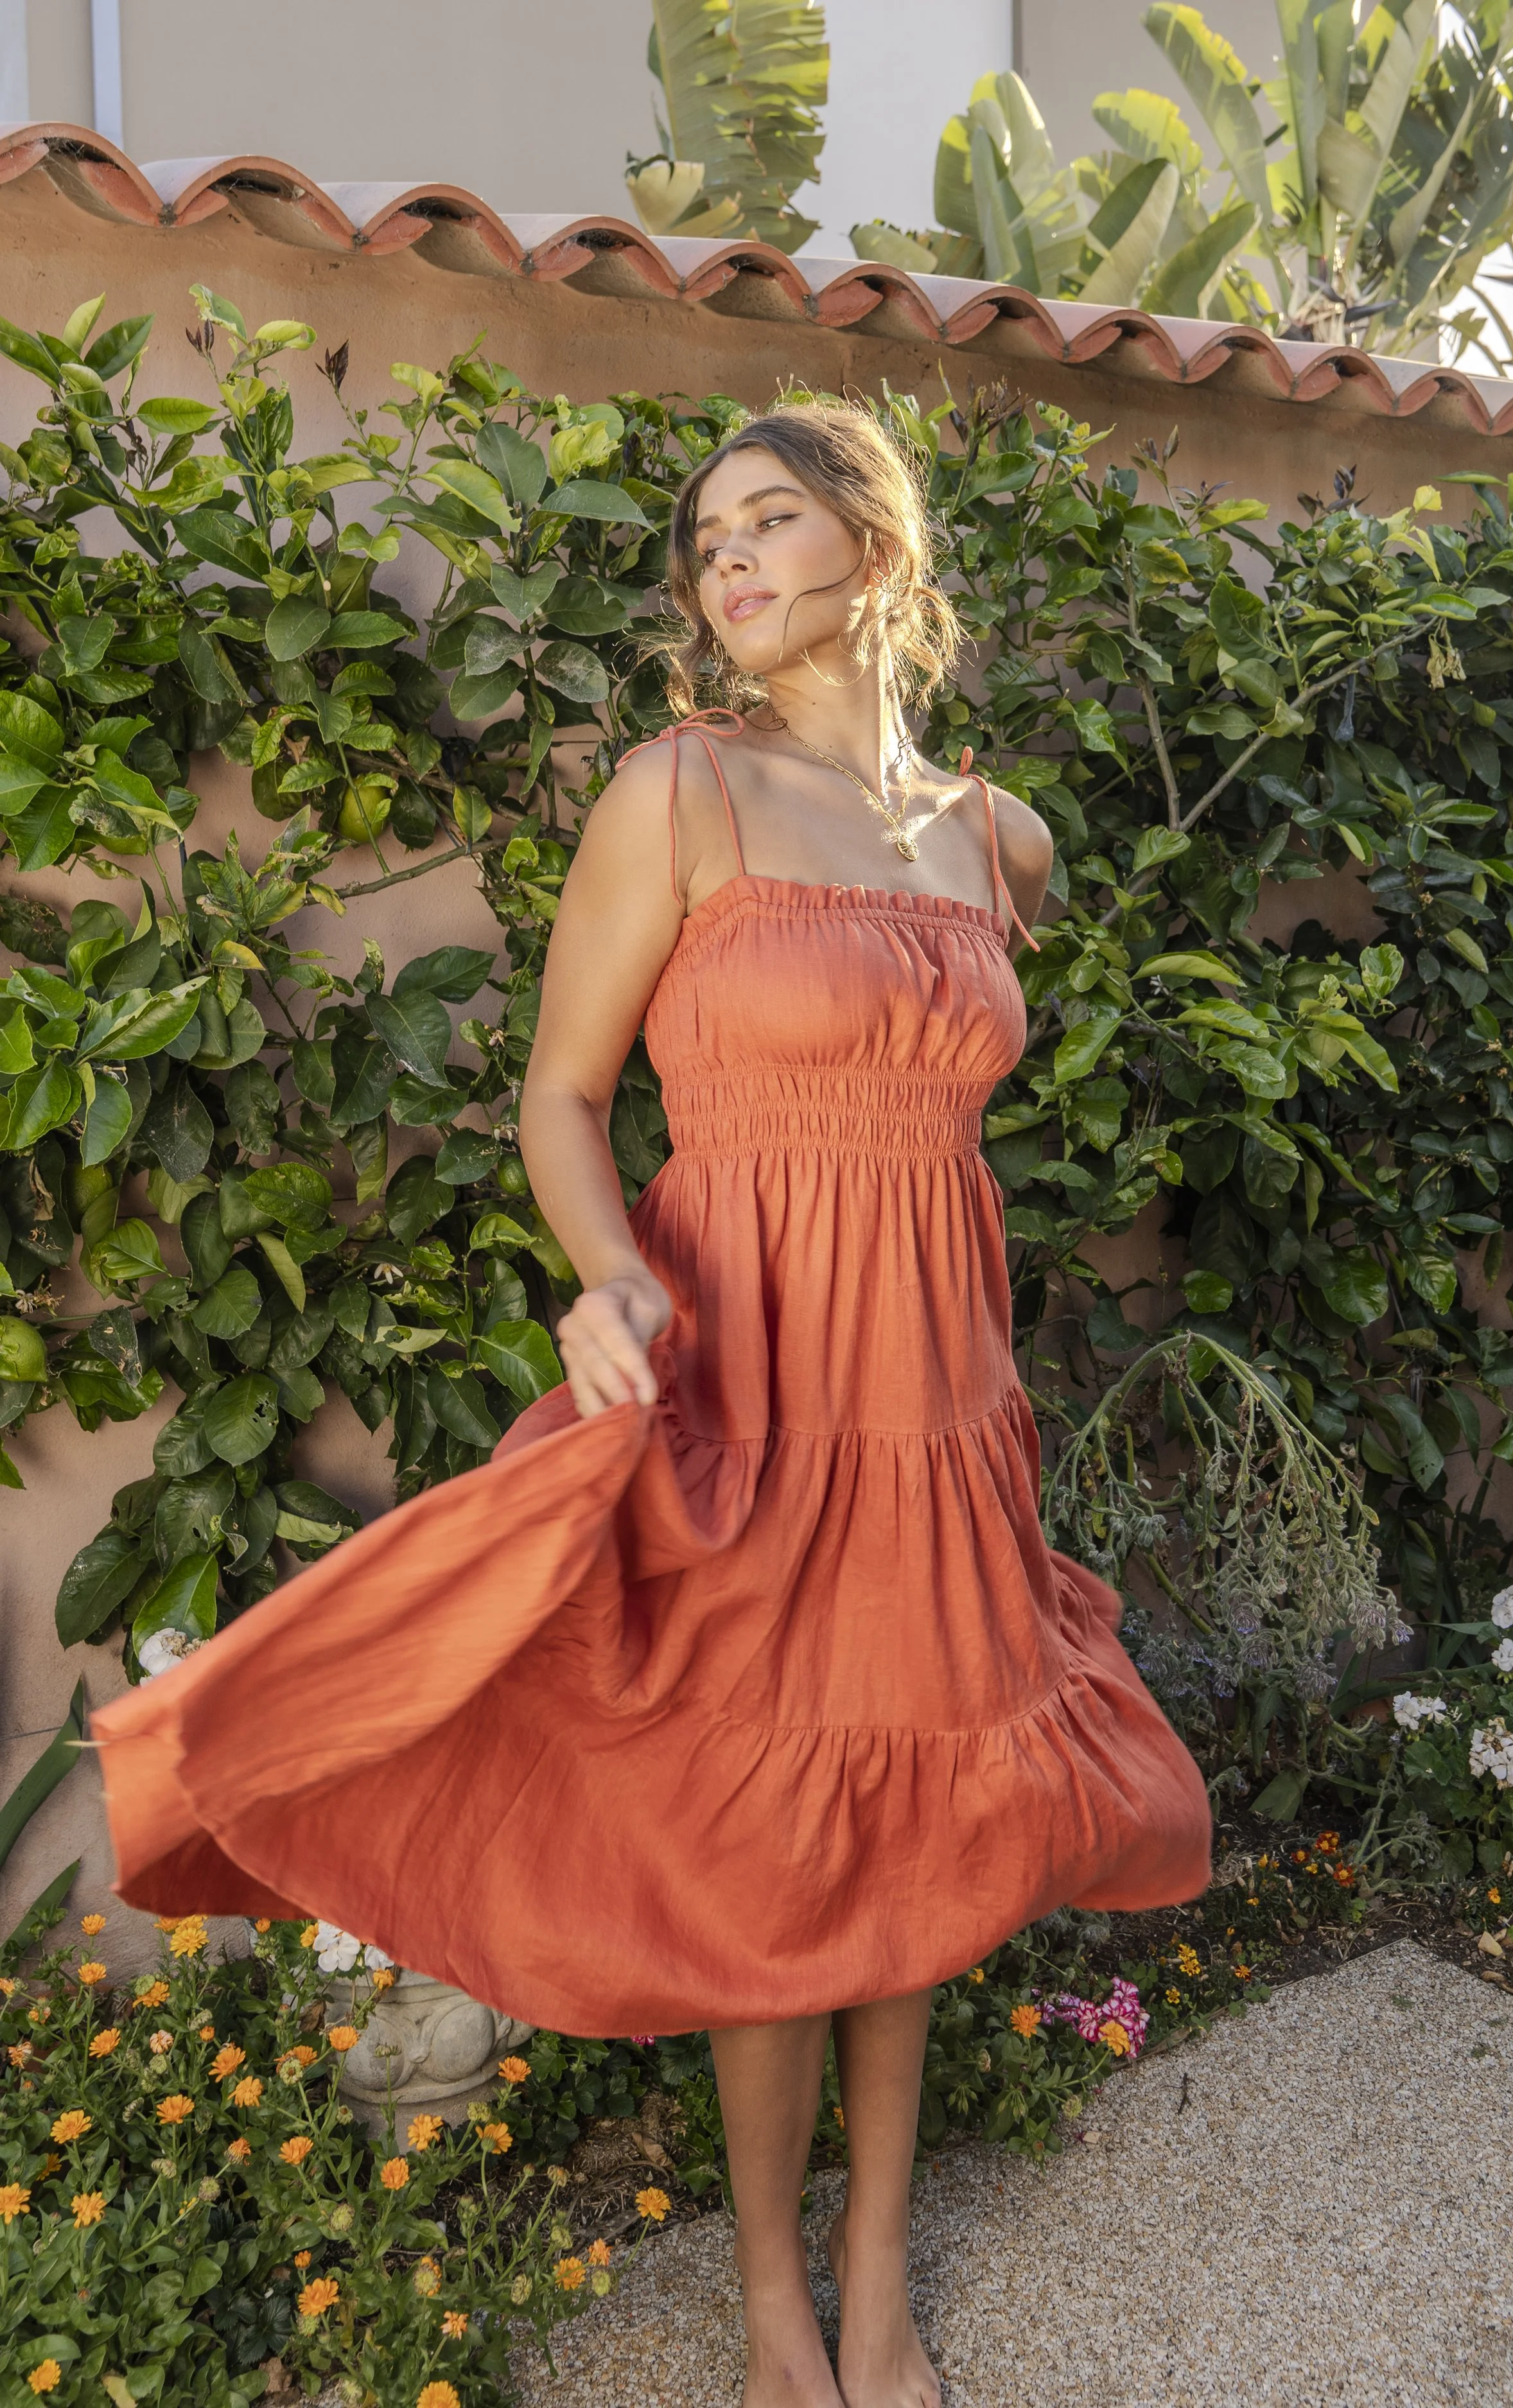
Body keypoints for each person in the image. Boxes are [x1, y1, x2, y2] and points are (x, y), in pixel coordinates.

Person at [92, 397, 1211, 2408]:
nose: (729, 562)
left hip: (934, 1403)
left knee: (914, 1815)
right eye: (708, 541)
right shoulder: (677, 792)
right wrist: (610, 1270)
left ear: (874, 542)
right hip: (742, 1382)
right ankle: (776, 2302)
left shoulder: (1000, 841)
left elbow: (931, 1122)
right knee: (765, 1838)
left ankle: (877, 2276)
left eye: (768, 520)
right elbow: (561, 1094)